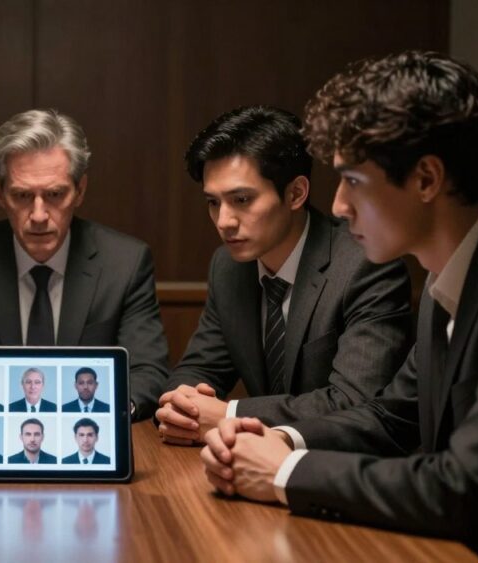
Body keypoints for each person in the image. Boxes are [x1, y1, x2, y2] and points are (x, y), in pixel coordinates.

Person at [200, 51, 478, 559]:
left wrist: (285, 473)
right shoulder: (450, 273)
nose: (337, 205)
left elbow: (468, 487)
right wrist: (281, 441)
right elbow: (389, 419)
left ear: (426, 179)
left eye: (353, 181)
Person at [157, 106, 412, 444]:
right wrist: (180, 404)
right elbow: (199, 368)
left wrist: (230, 414)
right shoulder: (229, 267)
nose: (224, 221)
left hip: (339, 471)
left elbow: (354, 401)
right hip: (248, 467)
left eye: (242, 199)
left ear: (295, 193)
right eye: (213, 202)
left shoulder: (366, 265)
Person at [0, 109, 169, 422]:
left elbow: (148, 374)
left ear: (80, 190)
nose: (39, 214)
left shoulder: (125, 263)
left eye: (55, 194)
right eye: (22, 195)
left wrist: (99, 415)